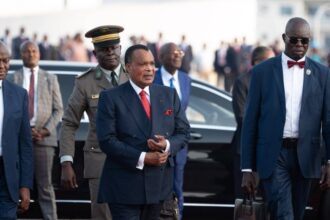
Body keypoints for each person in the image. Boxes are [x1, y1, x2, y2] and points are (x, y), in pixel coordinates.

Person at [241, 17, 330, 220]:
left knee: (296, 214)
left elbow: (329, 121)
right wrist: (247, 168)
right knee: (284, 214)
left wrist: (329, 162)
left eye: (304, 40)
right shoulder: (262, 72)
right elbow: (250, 121)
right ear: (284, 38)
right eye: (294, 40)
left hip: (306, 156)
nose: (299, 45)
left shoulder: (323, 74)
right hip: (274, 155)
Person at [96, 44, 190, 220]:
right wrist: (143, 157)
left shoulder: (168, 94)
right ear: (128, 67)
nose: (149, 69)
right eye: (143, 64)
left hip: (160, 188)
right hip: (125, 187)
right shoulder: (110, 97)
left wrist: (167, 145)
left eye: (151, 64)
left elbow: (184, 132)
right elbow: (107, 140)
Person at [59, 25, 129, 220]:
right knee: (102, 216)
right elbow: (69, 123)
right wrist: (66, 161)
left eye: (113, 47)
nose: (110, 52)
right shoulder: (85, 82)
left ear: (120, 48)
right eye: (104, 49)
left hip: (133, 160)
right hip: (100, 160)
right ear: (95, 53)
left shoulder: (135, 76)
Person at [9, 40, 63, 220]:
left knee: (45, 186)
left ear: (39, 54)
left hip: (44, 140)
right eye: (27, 51)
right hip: (17, 140)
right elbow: (8, 109)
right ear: (21, 55)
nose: (31, 54)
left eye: (34, 51)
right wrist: (22, 130)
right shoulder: (12, 78)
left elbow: (59, 109)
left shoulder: (51, 78)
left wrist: (45, 130)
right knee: (12, 184)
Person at [153, 42, 191, 219]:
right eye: (172, 53)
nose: (177, 56)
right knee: (157, 190)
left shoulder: (185, 79)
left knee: (178, 188)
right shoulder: (152, 78)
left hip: (178, 146)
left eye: (179, 52)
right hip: (156, 144)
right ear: (161, 58)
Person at [231, 46, 275, 198]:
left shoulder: (275, 82)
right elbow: (242, 118)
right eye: (271, 60)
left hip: (270, 152)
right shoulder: (242, 82)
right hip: (247, 151)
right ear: (257, 62)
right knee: (247, 199)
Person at [0, 41, 33, 219]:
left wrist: (25, 185)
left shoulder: (19, 95)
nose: (2, 66)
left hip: (8, 177)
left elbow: (25, 143)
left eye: (6, 60)